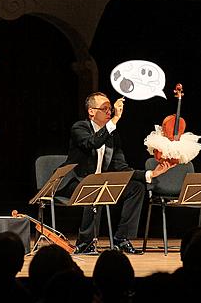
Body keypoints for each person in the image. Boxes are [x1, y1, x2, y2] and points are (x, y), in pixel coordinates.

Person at [57, 92, 174, 254]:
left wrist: (150, 174)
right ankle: (85, 243)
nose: (109, 112)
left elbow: (122, 168)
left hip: (100, 183)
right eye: (104, 109)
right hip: (75, 182)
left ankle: (121, 238)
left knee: (136, 188)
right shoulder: (80, 127)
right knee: (95, 188)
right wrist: (114, 121)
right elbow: (92, 143)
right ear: (91, 111)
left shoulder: (112, 135)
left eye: (110, 109)